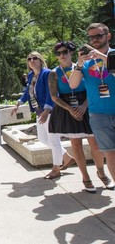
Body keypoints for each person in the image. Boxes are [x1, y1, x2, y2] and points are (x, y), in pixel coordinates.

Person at [48, 41, 114, 192]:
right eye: (58, 53)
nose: (62, 55)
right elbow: (53, 96)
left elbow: (93, 86)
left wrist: (84, 105)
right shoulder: (54, 73)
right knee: (76, 144)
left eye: (65, 52)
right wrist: (71, 110)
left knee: (95, 144)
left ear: (71, 52)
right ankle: (85, 177)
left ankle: (102, 173)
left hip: (88, 105)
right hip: (68, 109)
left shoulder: (85, 66)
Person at [11, 52, 73, 179]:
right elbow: (28, 93)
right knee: (43, 139)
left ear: (40, 60)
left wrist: (46, 110)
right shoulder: (31, 75)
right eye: (29, 58)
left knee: (53, 140)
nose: (32, 60)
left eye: (35, 58)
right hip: (40, 112)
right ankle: (66, 157)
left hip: (50, 111)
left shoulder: (47, 73)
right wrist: (18, 103)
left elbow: (53, 94)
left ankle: (56, 169)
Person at [69, 23, 115, 184]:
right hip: (99, 115)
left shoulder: (113, 55)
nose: (95, 40)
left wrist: (102, 57)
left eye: (99, 36)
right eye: (91, 37)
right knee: (110, 154)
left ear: (108, 36)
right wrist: (79, 64)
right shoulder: (86, 63)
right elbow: (73, 84)